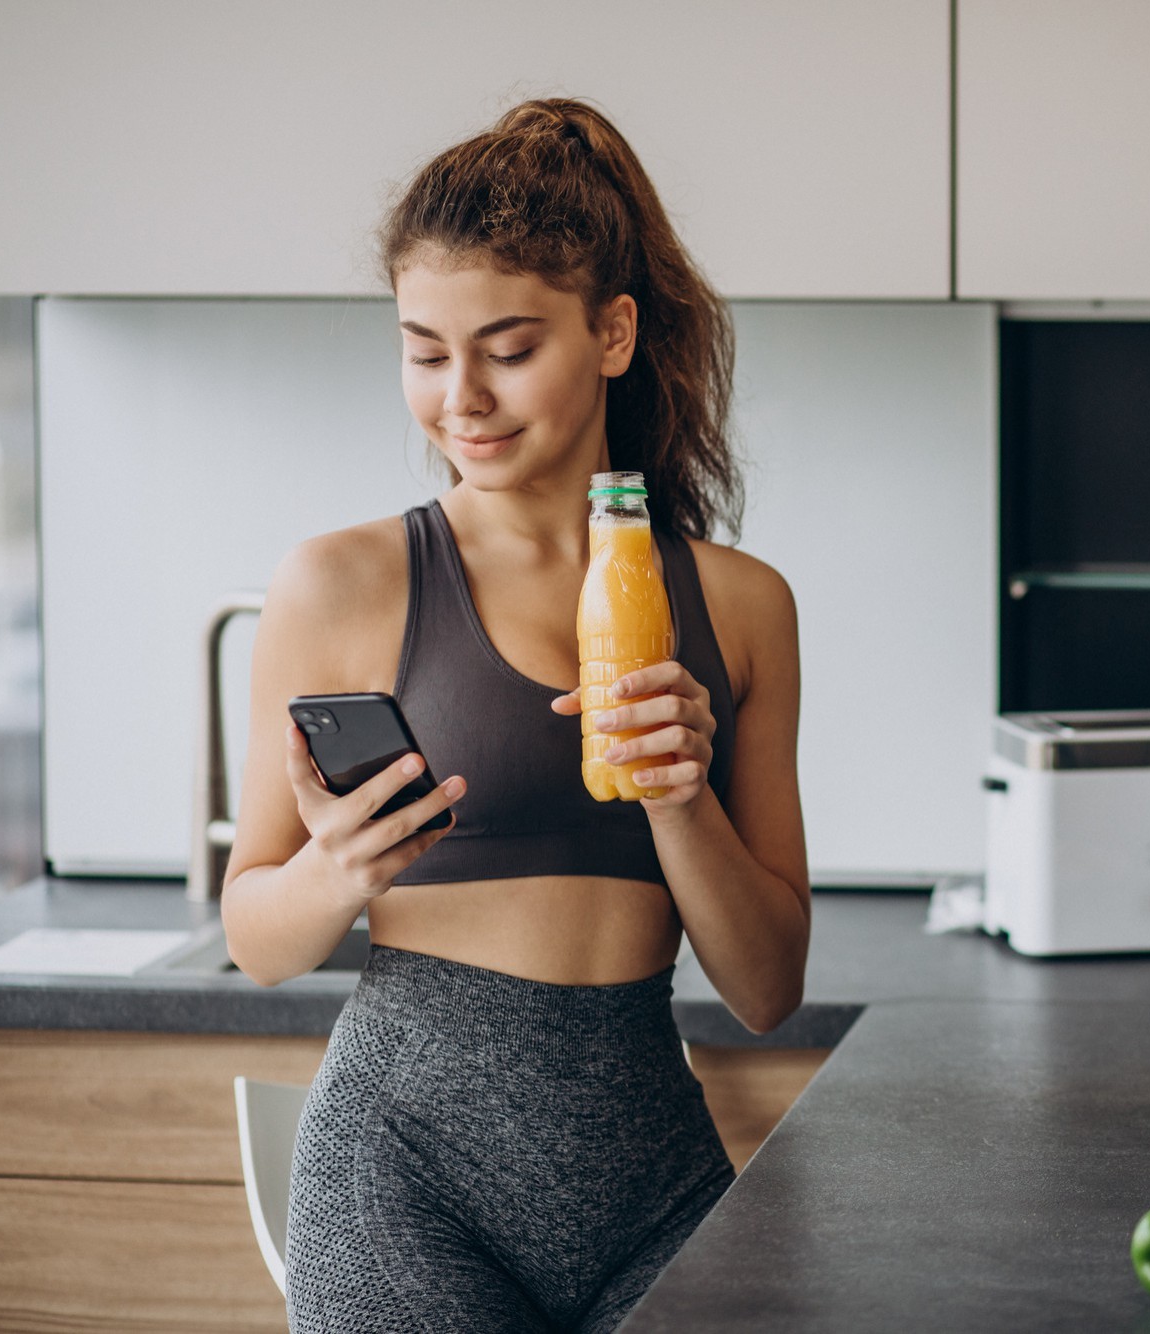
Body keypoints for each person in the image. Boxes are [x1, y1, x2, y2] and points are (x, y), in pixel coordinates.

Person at [220, 97, 810, 1332]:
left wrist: (679, 795)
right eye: (424, 350)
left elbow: (764, 989)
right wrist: (333, 871)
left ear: (611, 332)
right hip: (400, 1174)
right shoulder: (340, 583)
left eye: (506, 346)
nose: (461, 398)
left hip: (650, 1175)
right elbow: (258, 935)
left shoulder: (741, 607)